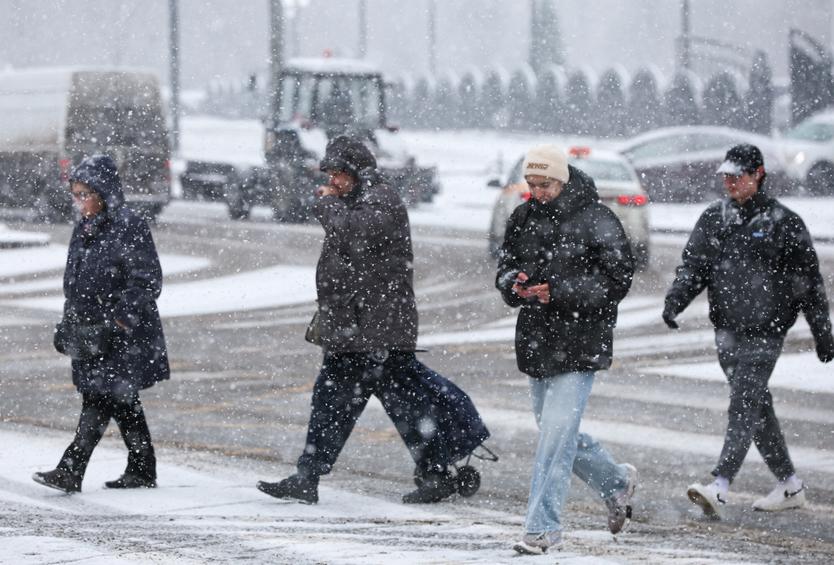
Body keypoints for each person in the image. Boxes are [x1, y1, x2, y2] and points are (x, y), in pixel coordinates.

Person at [257, 135, 490, 505]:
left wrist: (328, 206)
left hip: (373, 330)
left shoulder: (379, 199)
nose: (333, 181)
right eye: (330, 174)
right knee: (391, 401)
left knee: (345, 402)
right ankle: (433, 470)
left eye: (338, 174)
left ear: (358, 173)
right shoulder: (357, 201)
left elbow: (355, 234)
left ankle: (311, 475)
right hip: (359, 328)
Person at [663, 144, 834, 517]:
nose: (729, 182)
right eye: (725, 176)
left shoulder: (784, 222)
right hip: (727, 330)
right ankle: (789, 484)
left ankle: (721, 484)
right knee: (756, 407)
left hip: (767, 330)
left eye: (736, 176)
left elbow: (808, 283)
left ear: (758, 174)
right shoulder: (714, 218)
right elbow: (694, 267)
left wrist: (822, 332)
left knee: (743, 402)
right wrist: (675, 301)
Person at [495, 145, 638, 555]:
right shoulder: (522, 218)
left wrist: (558, 292)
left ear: (563, 180)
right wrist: (514, 285)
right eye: (532, 184)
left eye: (545, 185)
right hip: (538, 340)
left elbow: (617, 281)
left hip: (581, 340)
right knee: (556, 433)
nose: (537, 192)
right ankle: (615, 482)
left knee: (555, 439)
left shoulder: (598, 219)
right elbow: (504, 265)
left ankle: (542, 530)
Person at [32, 154, 169, 494]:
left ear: (103, 193)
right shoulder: (85, 228)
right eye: (74, 194)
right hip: (91, 331)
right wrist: (69, 322)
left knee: (100, 396)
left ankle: (71, 468)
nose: (78, 203)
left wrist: (120, 318)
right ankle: (142, 466)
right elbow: (74, 282)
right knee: (120, 399)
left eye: (84, 195)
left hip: (122, 334)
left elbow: (147, 280)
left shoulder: (129, 225)